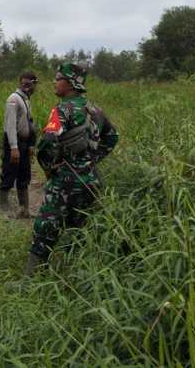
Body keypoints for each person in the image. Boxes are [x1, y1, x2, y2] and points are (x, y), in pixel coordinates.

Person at [25, 63, 119, 275]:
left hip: (64, 181)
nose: (54, 82)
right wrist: (92, 159)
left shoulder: (62, 109)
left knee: (45, 226)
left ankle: (31, 278)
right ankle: (76, 274)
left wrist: (50, 168)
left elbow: (47, 143)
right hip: (91, 181)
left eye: (58, 78)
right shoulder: (96, 110)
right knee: (79, 227)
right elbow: (112, 137)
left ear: (69, 83)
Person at [0, 71, 39, 218]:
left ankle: (25, 210)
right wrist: (14, 148)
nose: (27, 87)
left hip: (25, 143)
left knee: (24, 176)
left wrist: (31, 145)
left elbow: (29, 123)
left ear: (35, 84)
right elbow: (10, 126)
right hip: (13, 143)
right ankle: (4, 211)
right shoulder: (14, 99)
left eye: (30, 84)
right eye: (24, 84)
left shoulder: (26, 99)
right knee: (9, 174)